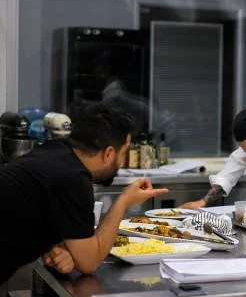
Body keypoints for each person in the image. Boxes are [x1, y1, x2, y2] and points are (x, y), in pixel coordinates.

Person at [0, 102, 168, 284]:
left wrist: (59, 248)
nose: (121, 161)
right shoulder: (72, 178)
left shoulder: (56, 151)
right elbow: (90, 263)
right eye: (124, 152)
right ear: (109, 153)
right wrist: (123, 201)